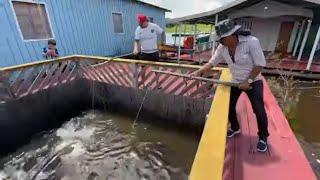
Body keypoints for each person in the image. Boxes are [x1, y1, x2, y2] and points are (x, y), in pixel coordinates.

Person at [191, 19, 269, 152]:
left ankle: (263, 137)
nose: (220, 41)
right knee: (229, 106)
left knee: (259, 110)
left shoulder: (251, 42)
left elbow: (260, 64)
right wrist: (200, 71)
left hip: (253, 81)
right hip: (235, 80)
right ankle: (235, 127)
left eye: (223, 38)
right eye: (220, 39)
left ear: (232, 35)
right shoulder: (222, 47)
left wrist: (248, 81)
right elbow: (212, 62)